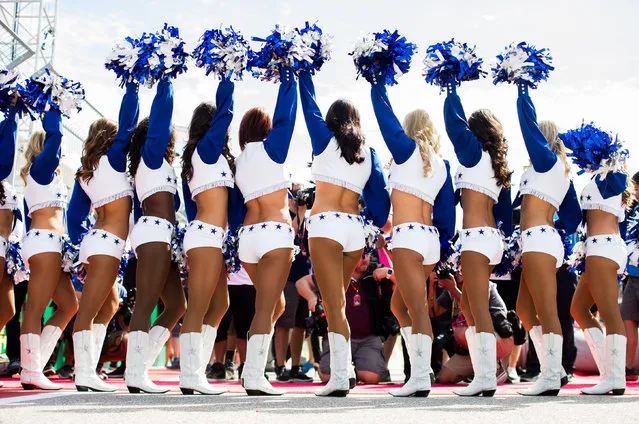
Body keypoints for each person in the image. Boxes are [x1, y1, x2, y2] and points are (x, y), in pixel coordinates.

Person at [298, 69, 390, 397]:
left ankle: (341, 376)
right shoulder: (369, 153)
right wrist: (373, 223)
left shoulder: (323, 141)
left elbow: (307, 105)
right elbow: (380, 200)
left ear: (331, 121)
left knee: (334, 304)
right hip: (354, 231)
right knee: (337, 301)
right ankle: (344, 370)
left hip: (325, 226)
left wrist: (303, 72)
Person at [370, 81, 455, 397]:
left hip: (407, 238)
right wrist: (443, 249)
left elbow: (384, 118)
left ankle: (420, 376)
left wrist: (376, 86)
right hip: (431, 240)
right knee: (399, 304)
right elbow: (447, 214)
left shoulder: (405, 152)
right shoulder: (442, 165)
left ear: (409, 129)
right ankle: (423, 368)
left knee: (417, 307)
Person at [66, 82, 139, 392]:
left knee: (109, 306)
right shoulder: (111, 161)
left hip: (99, 242)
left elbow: (73, 216)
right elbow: (129, 125)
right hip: (107, 244)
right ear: (110, 140)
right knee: (90, 308)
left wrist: (81, 247)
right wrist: (131, 87)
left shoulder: (84, 173)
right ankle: (84, 374)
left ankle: (89, 368)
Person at [443, 83, 512, 397]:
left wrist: (450, 88)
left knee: (477, 309)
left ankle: (485, 377)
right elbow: (507, 216)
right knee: (470, 305)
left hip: (476, 239)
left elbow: (451, 123)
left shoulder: (473, 155)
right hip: (491, 239)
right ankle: (487, 372)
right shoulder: (498, 165)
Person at [513, 84, 581, 396]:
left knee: (547, 311)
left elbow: (527, 126)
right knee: (525, 310)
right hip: (539, 241)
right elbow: (574, 215)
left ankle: (551, 375)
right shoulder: (554, 172)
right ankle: (551, 369)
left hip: (540, 241)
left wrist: (522, 92)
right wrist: (555, 226)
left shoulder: (546, 163)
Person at [234, 67, 297, 396]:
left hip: (248, 239)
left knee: (277, 305)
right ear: (267, 130)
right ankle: (255, 375)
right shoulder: (275, 151)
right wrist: (291, 76)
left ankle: (251, 368)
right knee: (265, 307)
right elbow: (288, 114)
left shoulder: (239, 161)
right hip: (274, 234)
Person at [125, 79, 187, 394]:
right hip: (152, 234)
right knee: (147, 302)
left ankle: (139, 365)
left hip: (165, 238)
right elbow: (161, 117)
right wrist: (167, 80)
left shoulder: (159, 165)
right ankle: (135, 373)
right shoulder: (149, 157)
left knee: (177, 305)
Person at [179, 76, 237, 395]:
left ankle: (197, 368)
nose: (226, 129)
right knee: (199, 306)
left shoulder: (203, 157)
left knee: (219, 304)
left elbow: (190, 207)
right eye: (220, 125)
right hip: (206, 236)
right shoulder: (206, 151)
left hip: (209, 236)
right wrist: (227, 76)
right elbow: (226, 112)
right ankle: (190, 375)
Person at [20, 111, 79, 390]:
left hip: (54, 244)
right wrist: (53, 109)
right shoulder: (40, 170)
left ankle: (36, 363)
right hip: (43, 242)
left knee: (70, 305)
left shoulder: (50, 176)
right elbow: (55, 138)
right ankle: (30, 370)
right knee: (35, 307)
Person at [569, 156, 632, 395]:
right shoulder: (598, 179)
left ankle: (615, 378)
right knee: (578, 309)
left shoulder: (613, 179)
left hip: (604, 247)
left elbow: (617, 179)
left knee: (609, 313)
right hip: (597, 248)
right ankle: (608, 371)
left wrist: (610, 158)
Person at [298, 255, 392, 385]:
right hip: (338, 337)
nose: (364, 259)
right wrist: (311, 298)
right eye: (360, 256)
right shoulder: (336, 272)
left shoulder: (374, 272)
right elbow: (301, 283)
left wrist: (389, 273)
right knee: (327, 376)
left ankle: (356, 370)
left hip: (368, 338)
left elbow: (401, 278)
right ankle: (348, 369)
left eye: (367, 254)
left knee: (372, 378)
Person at [434, 272, 515, 385]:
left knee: (460, 331)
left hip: (497, 337)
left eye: (462, 268)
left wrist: (453, 289)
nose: (458, 271)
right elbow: (434, 312)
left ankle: (496, 367)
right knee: (445, 378)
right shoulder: (451, 290)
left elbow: (475, 309)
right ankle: (483, 370)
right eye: (456, 268)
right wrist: (431, 286)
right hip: (471, 346)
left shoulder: (484, 284)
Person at [274, 183, 313, 383]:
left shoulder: (311, 218)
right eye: (295, 193)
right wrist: (297, 211)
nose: (299, 198)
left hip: (306, 276)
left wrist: (305, 211)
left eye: (301, 194)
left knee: (301, 324)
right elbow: (292, 233)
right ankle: (280, 366)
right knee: (284, 323)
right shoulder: (285, 216)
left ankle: (296, 365)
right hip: (288, 276)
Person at [213, 266, 256, 380]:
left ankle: (244, 365)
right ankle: (218, 365)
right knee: (220, 326)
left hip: (248, 282)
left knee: (244, 329)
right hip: (224, 282)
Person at [0, 101, 19, 337]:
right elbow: (7, 146)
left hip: (7, 248)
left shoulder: (7, 187)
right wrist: (13, 111)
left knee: (8, 310)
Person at [622, 172, 639, 381]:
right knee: (627, 320)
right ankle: (629, 367)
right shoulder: (633, 209)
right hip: (631, 276)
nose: (635, 191)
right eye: (635, 187)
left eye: (638, 187)